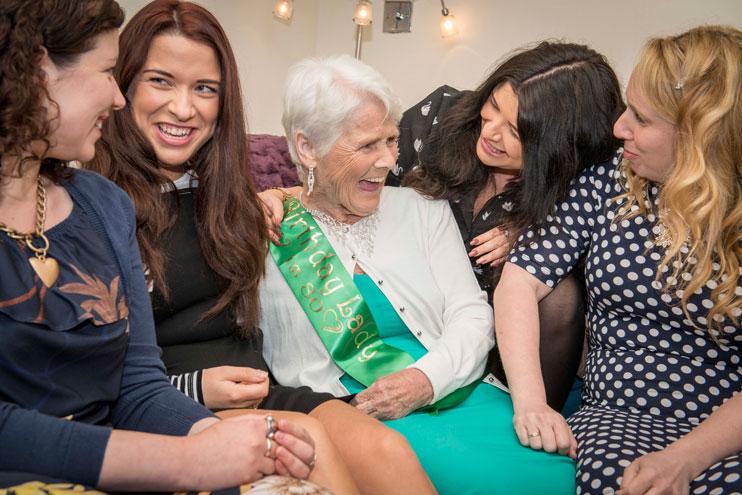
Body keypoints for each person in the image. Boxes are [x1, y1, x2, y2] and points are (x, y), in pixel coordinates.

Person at [86, 1, 432, 494]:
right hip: (168, 403)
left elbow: (316, 197)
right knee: (308, 447)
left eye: (204, 89)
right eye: (160, 81)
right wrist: (193, 388)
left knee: (387, 451)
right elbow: (85, 369)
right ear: (121, 86)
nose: (184, 108)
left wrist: (271, 199)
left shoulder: (228, 195)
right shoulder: (95, 204)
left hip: (265, 388)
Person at [0, 1, 325, 493]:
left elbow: (138, 388)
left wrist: (232, 442)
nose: (117, 96)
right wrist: (186, 460)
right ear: (40, 71)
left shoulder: (103, 204)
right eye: (110, 72)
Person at [259, 54, 577, 494]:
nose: (388, 161)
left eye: (392, 140)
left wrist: (423, 382)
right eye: (368, 145)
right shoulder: (264, 227)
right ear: (308, 148)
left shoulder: (421, 209)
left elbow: (472, 315)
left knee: (554, 476)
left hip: (451, 388)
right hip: (356, 412)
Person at [494, 25, 741, 494]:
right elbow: (520, 280)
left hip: (726, 430)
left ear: (702, 134)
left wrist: (686, 459)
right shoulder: (609, 181)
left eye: (642, 119)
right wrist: (531, 402)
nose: (618, 128)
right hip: (620, 419)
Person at [397, 42, 625, 411]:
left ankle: (530, 421)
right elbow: (359, 176)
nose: (491, 132)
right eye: (494, 107)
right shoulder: (439, 117)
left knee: (559, 292)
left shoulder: (582, 184)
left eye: (518, 132)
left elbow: (598, 277)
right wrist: (291, 193)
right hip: (410, 311)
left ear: (560, 149)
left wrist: (530, 236)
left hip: (504, 354)